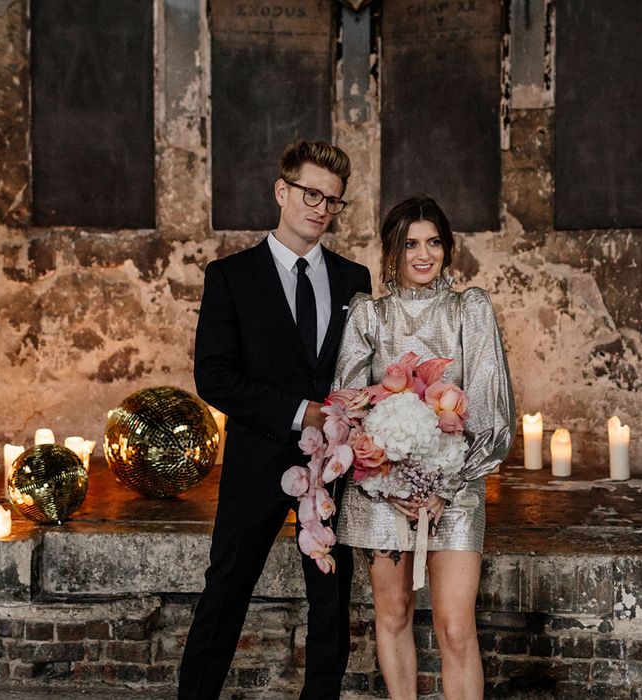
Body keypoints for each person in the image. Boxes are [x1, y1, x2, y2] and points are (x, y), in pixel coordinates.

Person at [179, 140, 372, 700]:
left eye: (332, 200)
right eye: (311, 193)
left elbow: (362, 368)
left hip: (332, 465)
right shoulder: (231, 276)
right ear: (282, 191)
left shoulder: (353, 278)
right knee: (226, 589)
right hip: (257, 457)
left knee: (331, 599)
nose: (320, 207)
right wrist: (299, 412)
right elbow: (214, 377)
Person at [333, 196, 515, 699]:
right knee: (392, 616)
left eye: (433, 242)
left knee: (456, 628)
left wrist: (444, 487)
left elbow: (492, 412)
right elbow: (347, 408)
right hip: (380, 492)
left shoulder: (469, 309)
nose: (423, 254)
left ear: (447, 248)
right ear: (392, 250)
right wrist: (389, 483)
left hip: (454, 490)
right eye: (410, 243)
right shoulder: (369, 315)